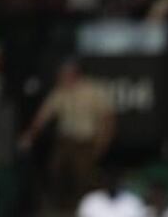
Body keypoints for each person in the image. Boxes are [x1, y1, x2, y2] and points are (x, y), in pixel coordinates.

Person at [20, 60, 115, 205]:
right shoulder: (59, 92)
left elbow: (108, 117)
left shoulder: (92, 91)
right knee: (55, 169)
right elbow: (43, 116)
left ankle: (85, 207)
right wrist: (30, 135)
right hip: (65, 140)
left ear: (75, 74)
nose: (62, 78)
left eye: (65, 75)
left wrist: (103, 141)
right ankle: (61, 206)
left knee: (84, 176)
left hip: (85, 141)